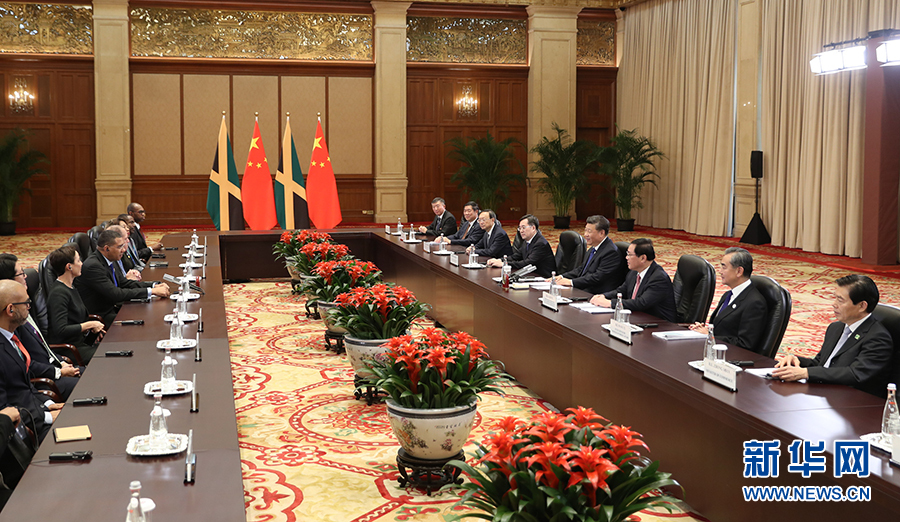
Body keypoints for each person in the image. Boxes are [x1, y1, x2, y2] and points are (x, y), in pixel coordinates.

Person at [773, 274, 893, 397]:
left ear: (862, 306)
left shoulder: (878, 337)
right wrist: (797, 361)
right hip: (825, 391)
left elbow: (856, 374)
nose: (834, 304)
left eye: (840, 300)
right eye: (835, 298)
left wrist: (806, 373)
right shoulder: (836, 328)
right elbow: (821, 363)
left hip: (852, 400)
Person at [0, 254, 83, 398]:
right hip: (44, 381)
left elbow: (43, 346)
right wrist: (58, 371)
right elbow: (24, 363)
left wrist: (61, 362)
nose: (26, 277)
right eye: (21, 274)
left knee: (97, 372)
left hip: (53, 367)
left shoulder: (23, 307)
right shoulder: (12, 319)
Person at [0, 280, 64, 442]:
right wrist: (46, 417)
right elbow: (5, 410)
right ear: (10, 309)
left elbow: (25, 386)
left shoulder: (11, 337)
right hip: (28, 431)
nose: (29, 306)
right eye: (26, 302)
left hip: (37, 412)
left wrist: (48, 404)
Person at [75, 226, 170, 325]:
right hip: (102, 316)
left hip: (115, 307)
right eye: (119, 246)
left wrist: (154, 285)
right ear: (107, 248)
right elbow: (116, 294)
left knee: (151, 311)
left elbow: (124, 283)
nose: (124, 250)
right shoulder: (93, 266)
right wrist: (152, 291)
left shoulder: (110, 258)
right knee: (148, 319)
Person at [689, 247, 768, 352]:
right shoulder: (728, 295)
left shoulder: (754, 303)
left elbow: (745, 344)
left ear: (739, 271)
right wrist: (704, 330)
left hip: (732, 357)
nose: (720, 271)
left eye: (724, 267)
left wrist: (710, 336)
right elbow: (722, 328)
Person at [591, 238, 677, 322]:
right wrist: (603, 296)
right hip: (638, 318)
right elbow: (621, 291)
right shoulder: (634, 272)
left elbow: (641, 303)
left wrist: (610, 303)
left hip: (659, 324)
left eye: (629, 255)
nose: (626, 258)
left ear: (643, 258)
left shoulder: (659, 278)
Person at [47, 245, 106, 365]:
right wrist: (90, 324)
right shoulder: (58, 293)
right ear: (69, 266)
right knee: (109, 356)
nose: (82, 264)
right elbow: (61, 330)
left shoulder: (71, 286)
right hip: (69, 348)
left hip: (81, 342)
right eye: (78, 261)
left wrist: (91, 330)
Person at [551, 215, 627, 295]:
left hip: (597, 294)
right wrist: (562, 277)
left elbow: (597, 278)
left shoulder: (611, 252)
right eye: (585, 231)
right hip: (585, 289)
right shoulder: (593, 248)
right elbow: (581, 269)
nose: (585, 234)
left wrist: (571, 282)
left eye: (589, 231)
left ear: (601, 233)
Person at [486, 214, 556, 277]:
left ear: (533, 228)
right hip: (530, 274)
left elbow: (528, 263)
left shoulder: (540, 244)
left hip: (543, 277)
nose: (521, 231)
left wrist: (505, 264)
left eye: (523, 227)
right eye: (519, 228)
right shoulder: (527, 241)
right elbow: (516, 256)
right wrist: (499, 260)